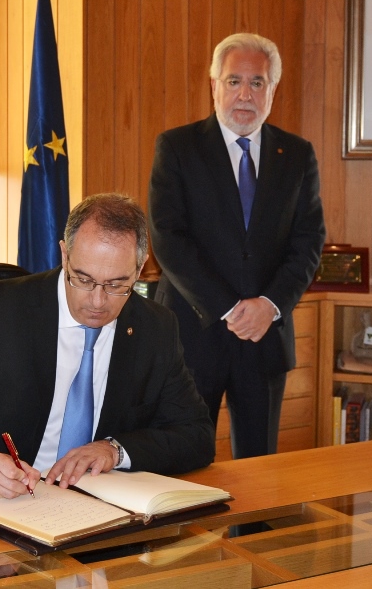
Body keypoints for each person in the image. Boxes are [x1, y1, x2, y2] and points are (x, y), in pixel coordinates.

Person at [0, 193, 215, 502]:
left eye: (117, 285)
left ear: (139, 268)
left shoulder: (155, 328)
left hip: (93, 512)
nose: (97, 301)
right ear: (65, 255)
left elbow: (196, 436)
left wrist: (115, 450)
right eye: (83, 279)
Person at [148, 32, 326, 460]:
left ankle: (256, 533)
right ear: (214, 86)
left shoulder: (297, 155)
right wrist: (230, 307)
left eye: (257, 83)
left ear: (272, 91)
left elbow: (309, 241)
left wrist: (269, 304)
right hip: (194, 334)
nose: (245, 94)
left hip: (265, 337)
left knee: (260, 472)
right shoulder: (178, 147)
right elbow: (167, 238)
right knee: (187, 465)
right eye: (234, 81)